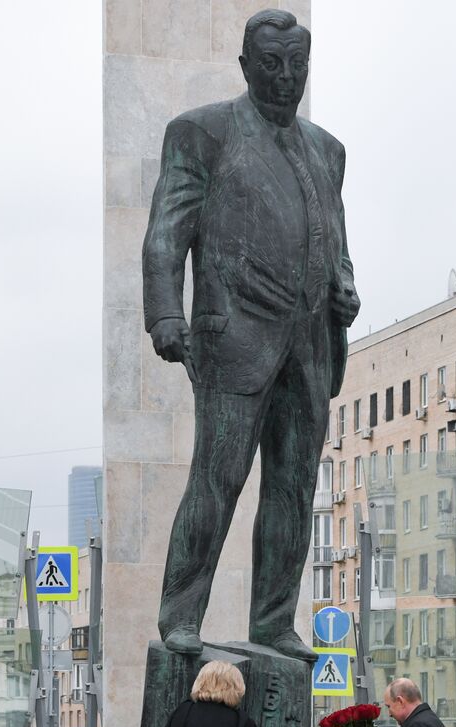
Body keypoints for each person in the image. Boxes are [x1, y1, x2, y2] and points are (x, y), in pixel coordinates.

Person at [142, 8, 360, 662]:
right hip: (233, 337)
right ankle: (180, 617)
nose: (287, 76)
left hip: (310, 343)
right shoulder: (200, 133)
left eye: (297, 63)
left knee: (293, 488)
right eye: (272, 64)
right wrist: (164, 314)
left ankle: (273, 623)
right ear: (245, 65)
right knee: (217, 479)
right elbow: (164, 235)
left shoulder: (327, 150)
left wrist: (344, 285)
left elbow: (333, 237)